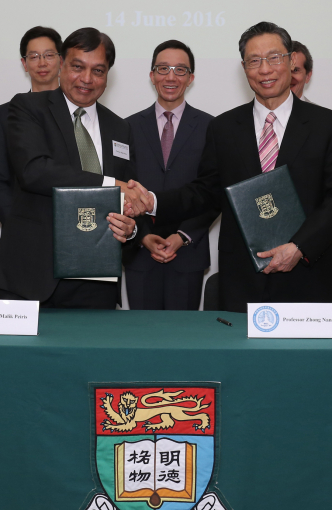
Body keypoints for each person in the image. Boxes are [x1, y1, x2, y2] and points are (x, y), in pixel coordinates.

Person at [124, 22, 332, 313]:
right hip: (243, 280)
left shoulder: (329, 125)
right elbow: (206, 192)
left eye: (274, 58)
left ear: (290, 60)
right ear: (244, 68)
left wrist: (298, 247)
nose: (265, 69)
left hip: (309, 275)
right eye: (254, 61)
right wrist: (152, 202)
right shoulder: (223, 127)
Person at [0, 28, 138, 310]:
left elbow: (126, 196)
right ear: (62, 65)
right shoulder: (28, 108)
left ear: (108, 75)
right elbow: (35, 171)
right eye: (77, 67)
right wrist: (110, 184)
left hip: (96, 280)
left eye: (98, 70)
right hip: (30, 276)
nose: (86, 79)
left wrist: (130, 229)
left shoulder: (121, 128)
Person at [125, 40, 216, 310]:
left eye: (180, 70)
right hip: (139, 251)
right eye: (163, 68)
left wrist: (183, 235)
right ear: (152, 75)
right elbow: (121, 188)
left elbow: (214, 190)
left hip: (188, 252)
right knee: (141, 340)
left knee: (184, 341)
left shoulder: (212, 127)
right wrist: (141, 234)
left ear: (191, 78)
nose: (171, 76)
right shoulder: (126, 127)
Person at [0, 26, 62, 226]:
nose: (42, 63)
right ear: (24, 63)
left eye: (49, 55)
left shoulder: (79, 111)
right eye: (34, 56)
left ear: (61, 60)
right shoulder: (4, 114)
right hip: (23, 226)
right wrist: (14, 223)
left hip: (74, 222)